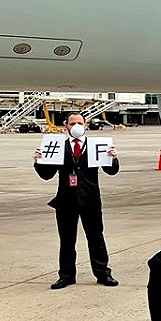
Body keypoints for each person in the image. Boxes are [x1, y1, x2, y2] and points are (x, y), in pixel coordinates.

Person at [33, 111, 120, 289]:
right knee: (67, 240)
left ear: (86, 125)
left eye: (79, 123)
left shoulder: (97, 146)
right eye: (72, 124)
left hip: (90, 200)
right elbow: (46, 175)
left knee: (96, 238)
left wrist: (113, 158)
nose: (76, 127)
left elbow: (111, 171)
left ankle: (103, 273)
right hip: (66, 201)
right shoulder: (58, 147)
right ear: (66, 126)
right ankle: (66, 275)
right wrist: (38, 161)